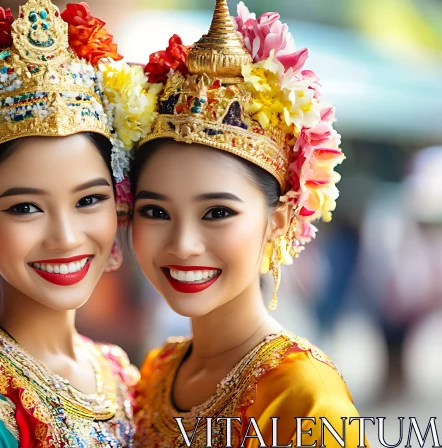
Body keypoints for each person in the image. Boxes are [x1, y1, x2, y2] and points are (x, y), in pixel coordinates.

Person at [0, 1, 159, 445]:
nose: (65, 237)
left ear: (118, 200)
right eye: (26, 208)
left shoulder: (116, 371)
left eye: (88, 200)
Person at [130, 1, 366, 446]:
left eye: (217, 212)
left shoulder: (304, 395)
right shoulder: (157, 371)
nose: (182, 244)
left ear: (277, 221)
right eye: (156, 212)